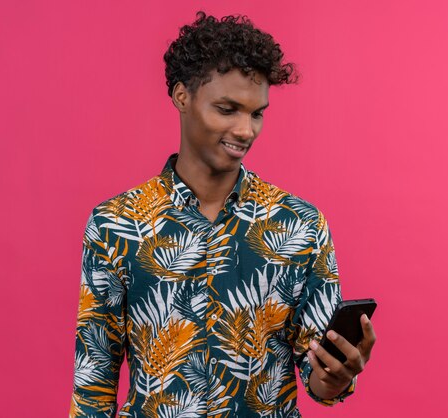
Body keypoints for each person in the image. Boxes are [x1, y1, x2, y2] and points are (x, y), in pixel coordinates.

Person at [69, 11, 376, 418]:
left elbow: (319, 377)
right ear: (182, 96)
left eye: (256, 113)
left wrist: (336, 377)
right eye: (228, 109)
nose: (246, 130)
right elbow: (93, 381)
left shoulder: (300, 225)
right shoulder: (117, 224)